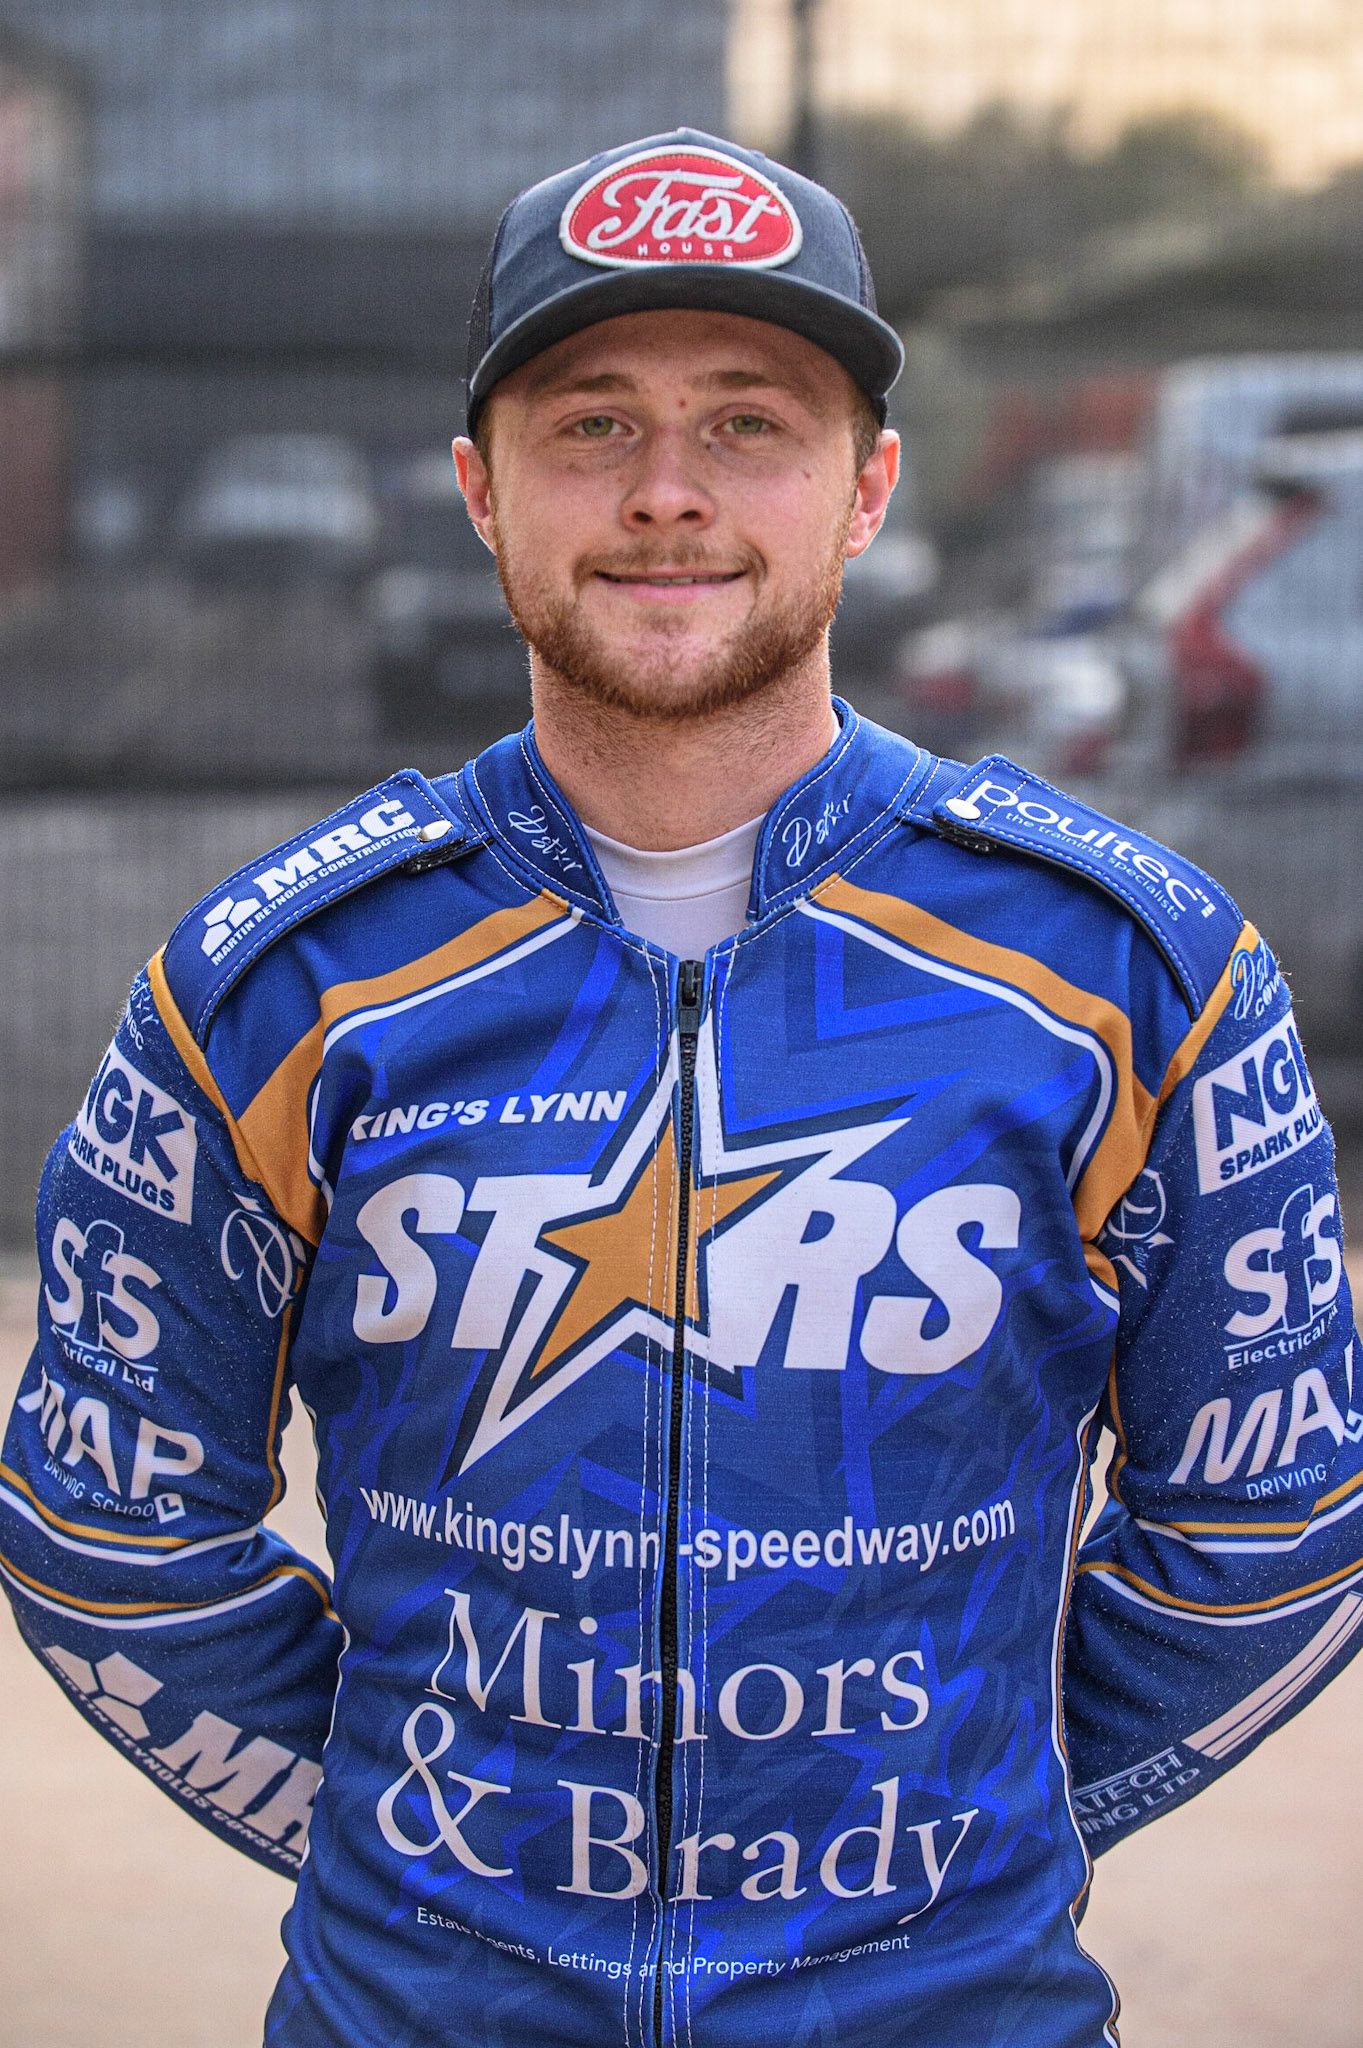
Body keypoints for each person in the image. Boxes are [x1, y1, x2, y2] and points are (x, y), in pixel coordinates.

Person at [3, 129, 1360, 2048]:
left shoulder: (1134, 968)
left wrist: (971, 1841)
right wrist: (417, 1856)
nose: (666, 492)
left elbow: (1273, 1529)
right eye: (591, 425)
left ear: (867, 487)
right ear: (479, 491)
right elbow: (109, 1531)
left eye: (749, 423)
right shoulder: (279, 981)